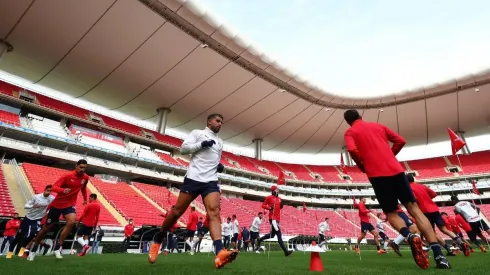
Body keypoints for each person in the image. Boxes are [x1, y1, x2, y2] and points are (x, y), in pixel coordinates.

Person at [343, 110, 450, 269]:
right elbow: (400, 140)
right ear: (360, 116)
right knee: (414, 209)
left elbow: (351, 150)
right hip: (397, 171)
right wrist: (390, 155)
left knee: (392, 213)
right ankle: (440, 256)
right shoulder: (379, 126)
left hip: (377, 175)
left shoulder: (350, 132)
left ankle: (410, 235)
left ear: (347, 121)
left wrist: (362, 165)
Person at [147, 114, 238, 269]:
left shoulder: (220, 142)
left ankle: (219, 252)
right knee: (176, 212)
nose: (220, 124)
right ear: (209, 121)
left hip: (211, 180)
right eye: (217, 121)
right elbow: (183, 149)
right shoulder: (197, 133)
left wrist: (218, 166)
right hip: (194, 178)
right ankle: (158, 237)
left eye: (222, 122)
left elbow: (211, 159)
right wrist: (201, 144)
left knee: (214, 213)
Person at [28, 159, 89, 261]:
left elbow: (83, 188)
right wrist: (62, 190)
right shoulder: (67, 176)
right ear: (76, 166)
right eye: (81, 167)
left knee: (71, 222)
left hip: (69, 204)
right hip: (57, 205)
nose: (82, 169)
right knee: (45, 229)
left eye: (84, 168)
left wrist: (85, 199)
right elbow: (53, 187)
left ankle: (57, 247)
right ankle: (33, 250)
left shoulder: (85, 177)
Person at [408, 175, 468, 257]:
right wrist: (427, 199)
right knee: (444, 229)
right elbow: (434, 194)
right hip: (434, 209)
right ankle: (460, 242)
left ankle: (447, 249)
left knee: (431, 232)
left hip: (424, 211)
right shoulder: (422, 186)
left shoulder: (408, 188)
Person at [6, 185, 54, 259]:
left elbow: (56, 204)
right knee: (18, 237)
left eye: (51, 191)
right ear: (44, 190)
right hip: (28, 218)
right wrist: (33, 206)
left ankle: (22, 250)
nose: (49, 192)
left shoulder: (52, 198)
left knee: (32, 234)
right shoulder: (36, 197)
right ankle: (9, 254)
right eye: (48, 190)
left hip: (37, 219)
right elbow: (26, 206)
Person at [255, 185, 292, 257]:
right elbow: (263, 205)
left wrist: (281, 206)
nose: (278, 191)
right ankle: (285, 251)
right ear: (273, 191)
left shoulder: (279, 199)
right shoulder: (269, 197)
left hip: (277, 219)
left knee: (272, 235)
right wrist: (269, 207)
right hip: (273, 219)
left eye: (278, 190)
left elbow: (278, 208)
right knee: (279, 234)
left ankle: (260, 240)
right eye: (276, 190)